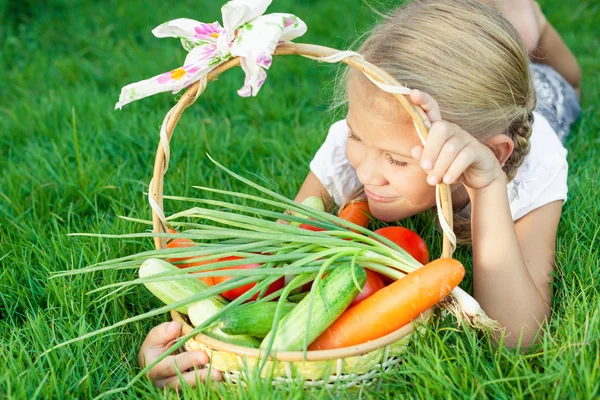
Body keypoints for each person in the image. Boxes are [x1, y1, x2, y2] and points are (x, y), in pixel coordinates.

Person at [138, 0, 581, 388]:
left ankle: (526, 16)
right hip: (479, 97)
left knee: (560, 76)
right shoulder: (368, 137)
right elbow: (276, 266)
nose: (366, 170)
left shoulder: (532, 167)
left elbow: (518, 336)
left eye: (398, 161)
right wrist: (197, 340)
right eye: (355, 135)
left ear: (492, 153)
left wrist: (487, 190)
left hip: (549, 96)